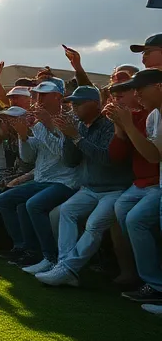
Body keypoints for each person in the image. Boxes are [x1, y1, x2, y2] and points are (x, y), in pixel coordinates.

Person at [37, 86, 132, 287]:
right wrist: (69, 136)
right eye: (73, 103)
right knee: (66, 212)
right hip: (91, 189)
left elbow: (108, 159)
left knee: (94, 224)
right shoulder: (79, 126)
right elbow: (70, 161)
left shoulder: (109, 124)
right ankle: (65, 266)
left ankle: (68, 269)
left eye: (79, 103)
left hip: (116, 188)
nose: (74, 107)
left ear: (95, 104)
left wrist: (77, 137)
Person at [0, 79, 79, 273]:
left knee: (32, 205)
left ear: (58, 96)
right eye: (37, 95)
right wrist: (23, 136)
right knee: (4, 199)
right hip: (43, 179)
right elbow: (28, 158)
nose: (38, 99)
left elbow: (65, 156)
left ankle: (49, 256)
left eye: (43, 95)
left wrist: (49, 125)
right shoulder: (39, 123)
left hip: (65, 181)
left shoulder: (68, 120)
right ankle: (24, 247)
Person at [104, 68, 162, 310]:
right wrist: (124, 127)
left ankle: (155, 285)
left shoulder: (147, 116)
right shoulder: (153, 117)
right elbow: (151, 155)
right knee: (128, 215)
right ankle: (152, 285)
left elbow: (152, 157)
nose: (137, 94)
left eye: (139, 88)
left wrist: (127, 125)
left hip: (154, 185)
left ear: (158, 87)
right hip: (147, 184)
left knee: (135, 219)